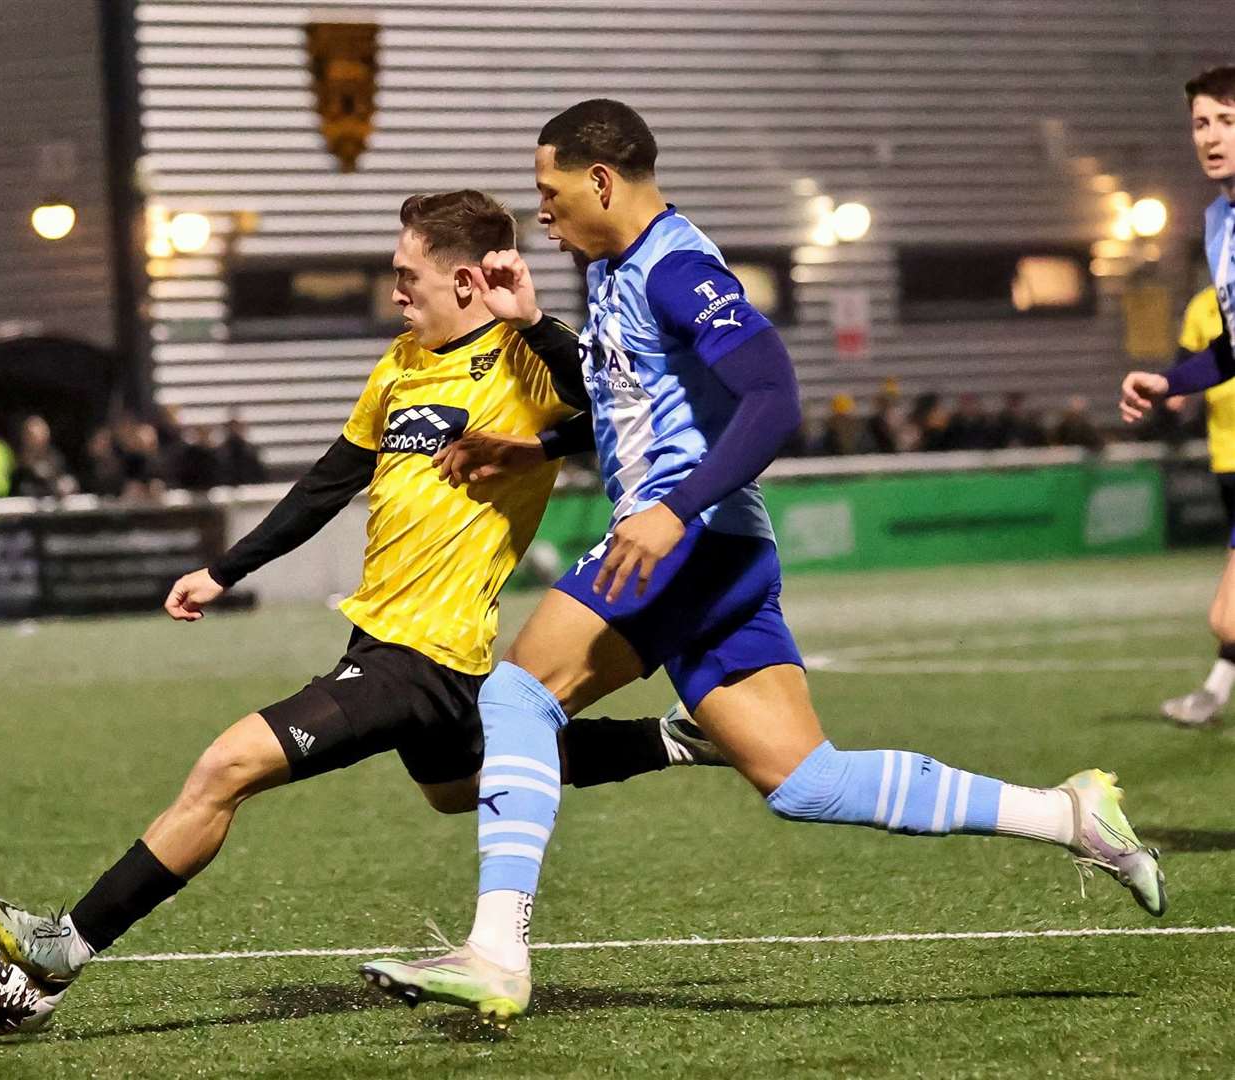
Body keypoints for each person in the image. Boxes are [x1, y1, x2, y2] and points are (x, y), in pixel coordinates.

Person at [360, 100, 1166, 1025]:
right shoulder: (618, 269)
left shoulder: (677, 266)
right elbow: (631, 392)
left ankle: (497, 952)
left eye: (548, 194)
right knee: (803, 780)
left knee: (514, 697)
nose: (540, 216)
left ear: (601, 181)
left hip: (691, 542)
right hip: (721, 550)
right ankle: (1072, 816)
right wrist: (537, 412)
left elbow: (775, 397)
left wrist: (672, 510)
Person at [0, 190, 720, 993]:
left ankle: (66, 947)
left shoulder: (524, 357)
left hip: (422, 657)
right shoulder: (401, 363)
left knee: (225, 767)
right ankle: (675, 739)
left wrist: (532, 347)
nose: (395, 291)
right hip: (387, 641)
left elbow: (617, 399)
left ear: (467, 281)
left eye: (408, 276)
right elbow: (327, 484)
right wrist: (224, 570)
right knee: (456, 788)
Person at [1118, 66, 1235, 728]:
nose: (1210, 136)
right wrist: (1171, 380)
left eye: (1227, 120)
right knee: (1227, 619)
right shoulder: (1219, 223)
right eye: (1201, 123)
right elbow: (1230, 349)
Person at [1160, 284, 1235, 725]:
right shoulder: (1206, 305)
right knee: (1226, 618)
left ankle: (1212, 691)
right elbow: (1198, 362)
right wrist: (1171, 387)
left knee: (1228, 617)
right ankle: (1214, 691)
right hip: (1226, 457)